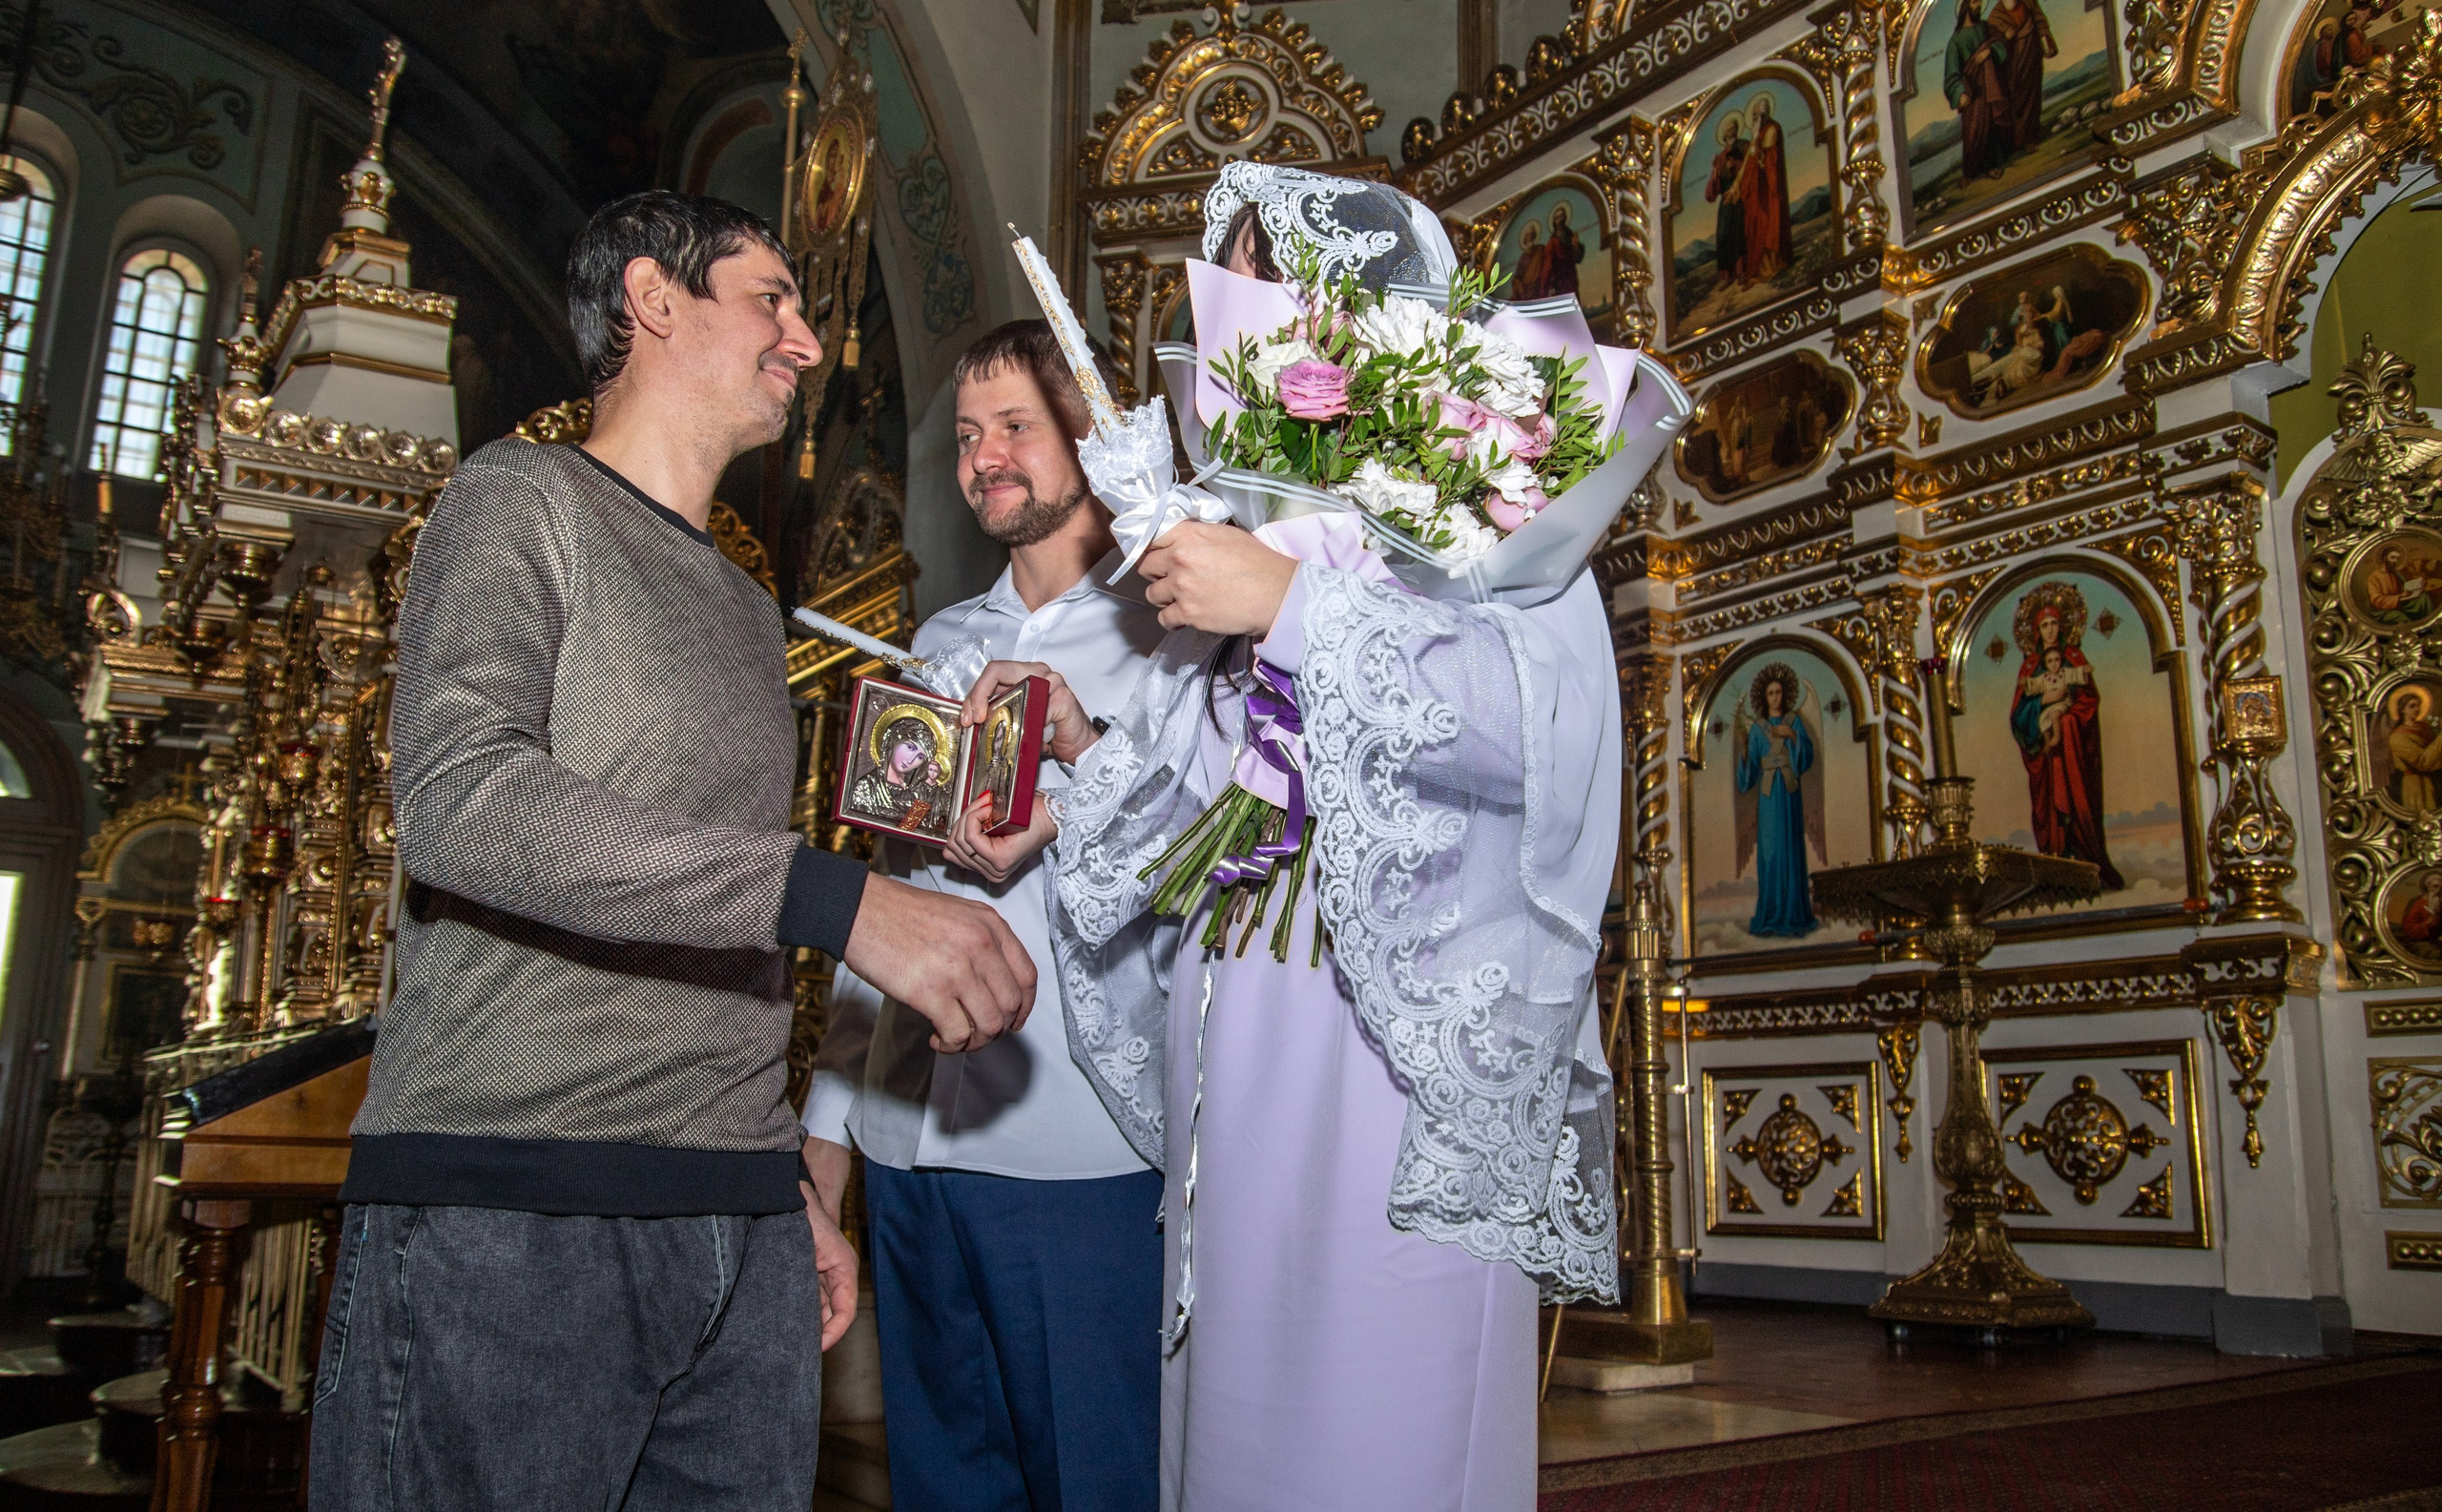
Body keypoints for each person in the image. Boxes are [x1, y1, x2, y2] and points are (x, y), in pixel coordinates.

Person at [310, 191, 1039, 1512]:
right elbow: (468, 804)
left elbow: (713, 921)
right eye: (775, 298)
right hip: (517, 1209)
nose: (809, 341)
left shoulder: (742, 602)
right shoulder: (516, 499)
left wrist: (782, 1185)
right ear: (654, 298)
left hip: (736, 1234)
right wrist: (842, 900)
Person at [952, 165, 1622, 1512]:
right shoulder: (1261, 529)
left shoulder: (1495, 502)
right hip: (1243, 1059)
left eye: (1268, 281)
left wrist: (1299, 608)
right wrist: (1087, 759)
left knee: (1378, 1431)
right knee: (1240, 1433)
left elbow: (1535, 737)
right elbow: (1222, 805)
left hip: (1386, 1066)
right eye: (1235, 284)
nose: (1240, 314)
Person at [802, 321, 1169, 1512]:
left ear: (1090, 433)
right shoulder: (938, 644)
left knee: (1094, 1477)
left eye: (1015, 424)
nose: (984, 456)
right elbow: (886, 907)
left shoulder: (1171, 635)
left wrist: (1080, 751)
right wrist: (825, 1142)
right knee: (944, 1485)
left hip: (1078, 1142)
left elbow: (1214, 870)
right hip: (915, 1141)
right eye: (968, 435)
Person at [2009, 598, 2124, 889]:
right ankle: (2054, 859)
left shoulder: (2074, 657)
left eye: (2054, 623)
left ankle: (2087, 856)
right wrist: (2044, 703)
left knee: (2070, 727)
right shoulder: (2030, 668)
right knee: (2048, 808)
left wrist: (2068, 716)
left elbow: (2088, 699)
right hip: (2047, 760)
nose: (2050, 630)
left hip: (2074, 755)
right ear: (2036, 631)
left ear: (2062, 627)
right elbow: (2018, 715)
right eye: (2044, 625)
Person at [1737, 664, 1818, 938]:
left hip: (1789, 792)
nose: (1775, 697)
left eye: (1779, 692)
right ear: (1764, 696)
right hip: (1769, 796)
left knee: (1791, 850)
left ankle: (1795, 913)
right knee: (1770, 853)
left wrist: (1793, 736)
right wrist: (1744, 754)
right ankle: (1771, 913)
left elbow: (1806, 755)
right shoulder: (1758, 729)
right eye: (1770, 693)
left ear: (1785, 694)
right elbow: (1747, 776)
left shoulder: (1793, 721)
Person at [1944, 0, 2014, 184]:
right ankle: (1971, 172)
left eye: (1981, 0)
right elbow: (1951, 75)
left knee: (1992, 126)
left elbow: (2001, 43)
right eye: (1975, 1)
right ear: (1966, 6)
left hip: (1991, 84)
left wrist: (1991, 49)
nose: (1979, 5)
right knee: (1974, 131)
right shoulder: (1955, 41)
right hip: (1972, 90)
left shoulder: (1985, 27)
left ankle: (1992, 165)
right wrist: (1960, 93)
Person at [1984, 0, 2057, 150]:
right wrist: (2004, 38)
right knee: (2018, 98)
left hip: (2032, 55)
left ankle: (2031, 136)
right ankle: (2019, 140)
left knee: (2033, 95)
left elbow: (2039, 20)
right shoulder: (1995, 15)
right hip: (2013, 64)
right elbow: (1993, 42)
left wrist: (2047, 41)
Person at [1734, 92, 1791, 284]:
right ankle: (1756, 268)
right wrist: (1736, 185)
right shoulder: (1756, 135)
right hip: (1753, 192)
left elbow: (1766, 160)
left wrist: (1757, 153)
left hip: (1767, 190)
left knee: (1767, 225)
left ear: (1765, 115)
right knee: (1752, 226)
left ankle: (1770, 267)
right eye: (1753, 116)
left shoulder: (1771, 130)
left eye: (1757, 116)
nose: (1754, 119)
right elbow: (1745, 166)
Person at [1704, 112, 1749, 287]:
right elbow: (1712, 193)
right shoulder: (1720, 158)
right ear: (1724, 135)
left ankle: (1742, 272)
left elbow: (1747, 171)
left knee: (1739, 234)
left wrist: (1736, 167)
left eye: (1734, 129)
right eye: (1729, 130)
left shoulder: (1742, 148)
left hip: (1739, 197)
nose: (1732, 132)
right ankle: (1728, 275)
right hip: (1726, 203)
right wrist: (1716, 172)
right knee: (1723, 236)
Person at [2390, 689, 2442, 811]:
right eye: (2412, 706)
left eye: (2418, 705)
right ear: (2402, 709)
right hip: (2415, 785)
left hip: (2433, 780)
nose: (2417, 709)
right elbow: (2422, 762)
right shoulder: (2397, 737)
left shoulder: (2424, 728)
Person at [1542, 200, 1587, 302]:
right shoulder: (1552, 242)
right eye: (1557, 218)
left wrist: (1576, 246)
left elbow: (1577, 258)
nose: (1560, 220)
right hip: (1558, 278)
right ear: (1554, 221)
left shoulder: (1570, 235)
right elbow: (1548, 265)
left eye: (1562, 216)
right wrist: (1551, 284)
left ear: (1565, 218)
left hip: (1570, 275)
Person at [1511, 218, 1549, 300]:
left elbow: (1547, 264)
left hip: (1538, 286)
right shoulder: (1523, 257)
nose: (1530, 237)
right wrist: (1517, 284)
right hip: (1525, 290)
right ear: (1525, 239)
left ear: (1535, 236)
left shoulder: (1540, 249)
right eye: (1528, 235)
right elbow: (1518, 275)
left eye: (1532, 234)